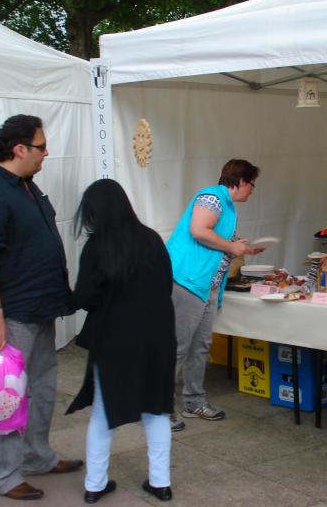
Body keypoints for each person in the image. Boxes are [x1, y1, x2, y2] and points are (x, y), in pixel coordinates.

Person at [0, 114, 82, 501]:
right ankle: (5, 475)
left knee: (42, 387)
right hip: (12, 313)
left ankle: (36, 456)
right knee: (5, 393)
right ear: (19, 149)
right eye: (41, 146)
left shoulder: (25, 184)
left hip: (40, 306)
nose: (47, 152)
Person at [66, 179, 175, 503]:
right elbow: (166, 286)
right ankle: (161, 483)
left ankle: (94, 485)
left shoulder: (97, 246)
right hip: (157, 336)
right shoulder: (152, 239)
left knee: (103, 413)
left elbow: (84, 297)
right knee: (157, 410)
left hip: (113, 339)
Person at [165, 159, 263, 432]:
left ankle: (194, 401)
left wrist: (242, 248)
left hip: (206, 284)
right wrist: (231, 247)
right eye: (252, 184)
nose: (252, 190)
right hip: (188, 280)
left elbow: (217, 240)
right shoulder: (212, 197)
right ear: (241, 181)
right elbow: (199, 230)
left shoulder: (227, 207)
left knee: (200, 346)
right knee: (178, 347)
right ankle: (159, 409)